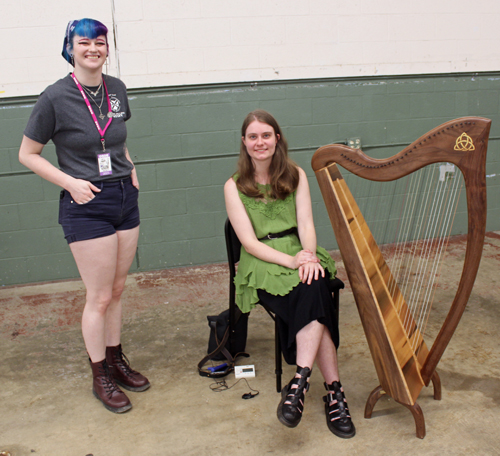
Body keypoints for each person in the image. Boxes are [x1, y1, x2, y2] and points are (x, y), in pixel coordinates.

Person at [18, 18, 149, 414]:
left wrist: (132, 168)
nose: (93, 48)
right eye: (84, 42)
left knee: (120, 289)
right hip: (85, 203)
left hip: (124, 198)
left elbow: (116, 139)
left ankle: (115, 358)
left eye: (99, 42)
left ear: (107, 49)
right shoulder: (54, 97)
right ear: (70, 48)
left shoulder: (118, 90)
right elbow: (27, 154)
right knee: (100, 295)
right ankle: (100, 375)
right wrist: (71, 182)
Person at [224, 110, 355, 438]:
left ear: (277, 138)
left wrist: (308, 255)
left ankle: (298, 384)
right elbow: (250, 244)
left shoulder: (295, 174)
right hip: (265, 261)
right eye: (252, 137)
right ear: (244, 142)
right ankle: (334, 394)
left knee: (314, 285)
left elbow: (307, 225)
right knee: (316, 293)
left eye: (266, 135)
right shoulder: (234, 186)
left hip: (301, 252)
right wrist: (293, 262)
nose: (260, 142)